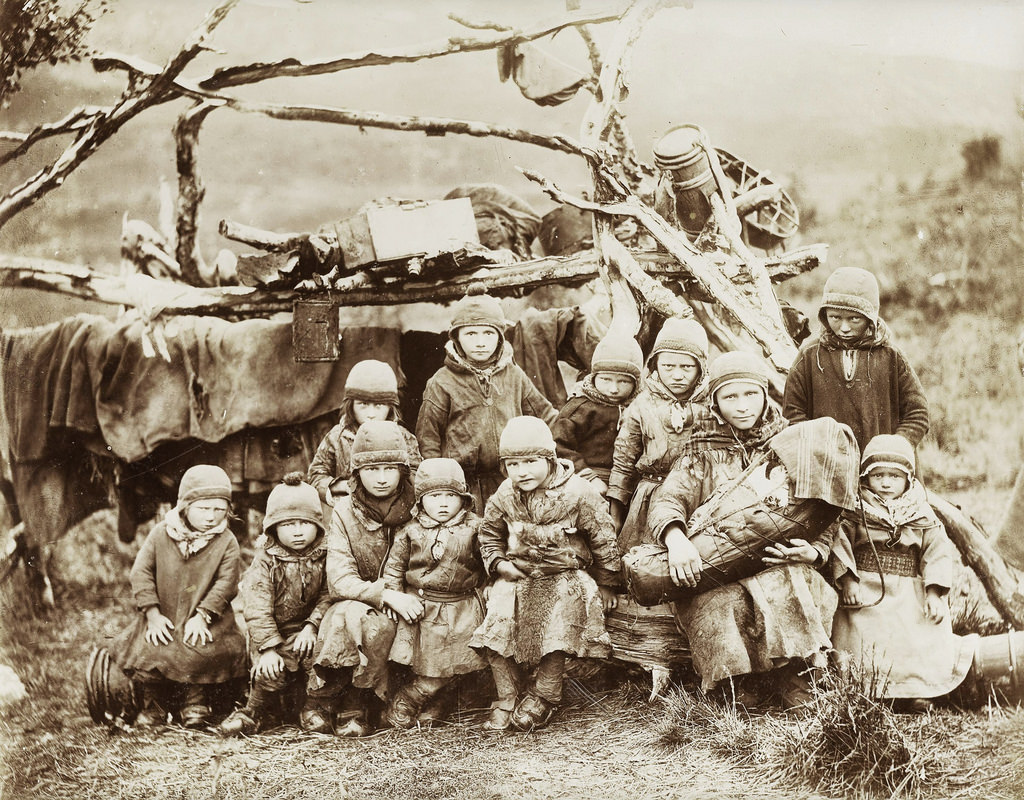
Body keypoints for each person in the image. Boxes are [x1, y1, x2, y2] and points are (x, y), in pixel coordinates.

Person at [648, 352, 838, 709]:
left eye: (750, 394)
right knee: (717, 598)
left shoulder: (789, 444)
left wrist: (814, 552)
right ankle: (733, 683)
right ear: (715, 401)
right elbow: (668, 499)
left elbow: (823, 507)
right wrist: (676, 540)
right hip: (720, 559)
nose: (742, 406)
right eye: (729, 396)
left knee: (791, 582)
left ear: (766, 395)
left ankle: (793, 673)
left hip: (775, 558)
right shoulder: (700, 450)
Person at [470, 416, 621, 732]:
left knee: (557, 629)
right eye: (512, 464)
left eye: (530, 461)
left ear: (549, 459)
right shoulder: (505, 493)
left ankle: (545, 694)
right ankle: (507, 697)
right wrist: (498, 564)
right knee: (496, 626)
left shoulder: (578, 492)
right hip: (517, 573)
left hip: (563, 574)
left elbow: (603, 536)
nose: (521, 471)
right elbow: (489, 532)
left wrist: (607, 583)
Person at [830, 434, 975, 709]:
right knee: (863, 636)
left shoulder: (921, 514)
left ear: (908, 479)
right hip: (866, 590)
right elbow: (840, 544)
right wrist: (848, 581)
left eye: (894, 476)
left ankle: (913, 692)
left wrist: (934, 593)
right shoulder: (854, 511)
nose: (886, 483)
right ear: (865, 477)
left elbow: (937, 552)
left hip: (909, 591)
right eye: (878, 475)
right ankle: (867, 694)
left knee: (917, 633)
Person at [308, 420, 423, 736]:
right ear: (356, 473)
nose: (383, 478)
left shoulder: (419, 506)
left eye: (390, 468)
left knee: (388, 625)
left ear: (403, 469)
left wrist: (404, 593)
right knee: (350, 615)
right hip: (360, 600)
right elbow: (339, 579)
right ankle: (324, 702)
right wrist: (384, 594)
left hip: (412, 599)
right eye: (372, 469)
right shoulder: (345, 510)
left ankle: (365, 702)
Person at [112, 465, 246, 728]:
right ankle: (155, 706)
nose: (211, 517)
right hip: (164, 615)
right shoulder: (161, 533)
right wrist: (152, 614)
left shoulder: (227, 540)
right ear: (185, 506)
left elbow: (227, 582)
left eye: (219, 509)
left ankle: (194, 701)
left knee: (200, 648)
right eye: (203, 508)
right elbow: (141, 572)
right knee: (152, 648)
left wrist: (204, 615)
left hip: (208, 618)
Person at [416, 293, 557, 513]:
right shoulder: (441, 382)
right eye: (471, 333)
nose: (480, 343)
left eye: (489, 333)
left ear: (500, 337)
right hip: (463, 487)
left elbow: (546, 417)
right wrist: (440, 483)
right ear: (456, 337)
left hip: (511, 481)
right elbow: (428, 440)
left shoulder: (514, 375)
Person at [220, 473, 332, 736]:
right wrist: (268, 647)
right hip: (274, 634)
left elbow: (329, 594)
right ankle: (253, 712)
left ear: (317, 524)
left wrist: (311, 627)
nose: (297, 531)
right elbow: (257, 608)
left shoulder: (325, 554)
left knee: (321, 662)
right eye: (288, 524)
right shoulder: (266, 560)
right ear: (272, 527)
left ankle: (314, 709)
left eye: (305, 523)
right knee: (270, 670)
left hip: (309, 631)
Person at [382, 458, 487, 729]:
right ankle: (413, 700)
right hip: (423, 608)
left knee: (458, 663)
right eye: (434, 496)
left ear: (463, 499)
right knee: (430, 663)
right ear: (421, 500)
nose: (442, 503)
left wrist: (488, 593)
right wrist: (395, 596)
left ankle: (417, 699)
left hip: (463, 608)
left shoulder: (476, 528)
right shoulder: (410, 531)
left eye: (450, 496)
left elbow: (489, 565)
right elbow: (394, 568)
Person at [782, 266, 929, 453]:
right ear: (824, 315)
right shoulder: (810, 355)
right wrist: (816, 451)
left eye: (854, 319)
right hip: (825, 468)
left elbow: (918, 413)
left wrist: (895, 450)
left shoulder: (891, 356)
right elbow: (793, 412)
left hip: (881, 472)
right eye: (835, 317)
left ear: (870, 318)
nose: (844, 327)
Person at [608, 317, 709, 552]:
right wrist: (615, 513)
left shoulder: (712, 403)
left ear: (702, 368)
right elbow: (623, 461)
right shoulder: (642, 405)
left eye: (687, 367)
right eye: (668, 366)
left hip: (699, 496)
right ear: (655, 365)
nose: (677, 375)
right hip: (650, 497)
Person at [306, 359, 421, 507]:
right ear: (350, 405)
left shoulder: (403, 437)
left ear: (391, 407)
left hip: (392, 510)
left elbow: (416, 474)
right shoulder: (337, 437)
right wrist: (341, 486)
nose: (371, 414)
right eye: (363, 405)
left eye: (379, 405)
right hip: (348, 510)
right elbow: (316, 475)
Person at [552, 331, 643, 498]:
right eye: (606, 379)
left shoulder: (640, 408)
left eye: (623, 381)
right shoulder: (580, 407)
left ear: (635, 384)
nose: (614, 389)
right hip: (586, 479)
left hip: (627, 481)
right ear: (594, 378)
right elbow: (559, 446)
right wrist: (588, 477)